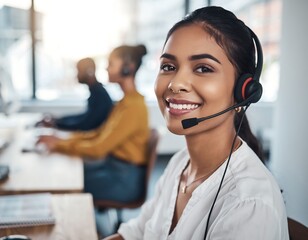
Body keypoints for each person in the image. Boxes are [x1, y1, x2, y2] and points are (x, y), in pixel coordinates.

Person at [104, 6, 289, 240]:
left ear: (243, 92)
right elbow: (136, 233)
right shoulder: (180, 163)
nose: (176, 83)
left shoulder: (248, 206)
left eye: (203, 68)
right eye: (168, 67)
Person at [37, 44, 149, 203]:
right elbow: (99, 134)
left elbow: (98, 149)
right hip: (114, 169)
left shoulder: (133, 107)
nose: (105, 69)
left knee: (62, 182)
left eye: (111, 64)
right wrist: (62, 140)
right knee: (66, 174)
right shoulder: (125, 103)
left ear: (127, 68)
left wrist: (60, 144)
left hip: (123, 180)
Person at [36, 57, 113, 131]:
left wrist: (56, 124)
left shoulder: (100, 96)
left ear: (89, 72)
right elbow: (83, 116)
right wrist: (57, 120)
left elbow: (86, 124)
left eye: (79, 71)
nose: (77, 75)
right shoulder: (96, 91)